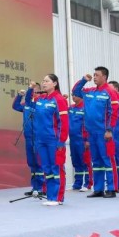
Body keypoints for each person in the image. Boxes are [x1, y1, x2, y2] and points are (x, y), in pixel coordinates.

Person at [72, 67, 119, 198]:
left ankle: (111, 188)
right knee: (96, 161)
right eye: (93, 75)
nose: (94, 77)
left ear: (104, 77)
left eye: (97, 75)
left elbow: (114, 112)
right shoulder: (90, 92)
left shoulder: (110, 92)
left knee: (107, 159)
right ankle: (98, 188)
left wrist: (109, 129)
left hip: (103, 132)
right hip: (91, 132)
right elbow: (75, 91)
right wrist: (83, 80)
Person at [25, 75, 68, 205]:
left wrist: (61, 141)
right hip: (40, 140)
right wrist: (30, 88)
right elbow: (28, 102)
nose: (44, 83)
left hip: (53, 140)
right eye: (43, 81)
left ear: (54, 83)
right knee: (47, 169)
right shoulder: (40, 99)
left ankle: (58, 198)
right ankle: (50, 196)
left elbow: (64, 123)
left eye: (47, 81)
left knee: (56, 168)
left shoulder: (59, 99)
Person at [12, 83, 44, 196]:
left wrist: (30, 89)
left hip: (38, 137)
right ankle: (35, 187)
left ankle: (41, 188)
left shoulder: (40, 104)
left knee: (39, 163)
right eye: (32, 91)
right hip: (28, 137)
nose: (33, 93)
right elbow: (15, 106)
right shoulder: (26, 104)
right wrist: (19, 96)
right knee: (32, 163)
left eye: (36, 91)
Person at [68, 94, 90, 191]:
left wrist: (87, 139)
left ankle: (88, 184)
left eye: (75, 95)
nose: (73, 97)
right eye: (72, 95)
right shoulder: (71, 108)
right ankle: (77, 184)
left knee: (85, 161)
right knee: (76, 161)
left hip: (82, 139)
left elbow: (88, 124)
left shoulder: (86, 108)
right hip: (73, 139)